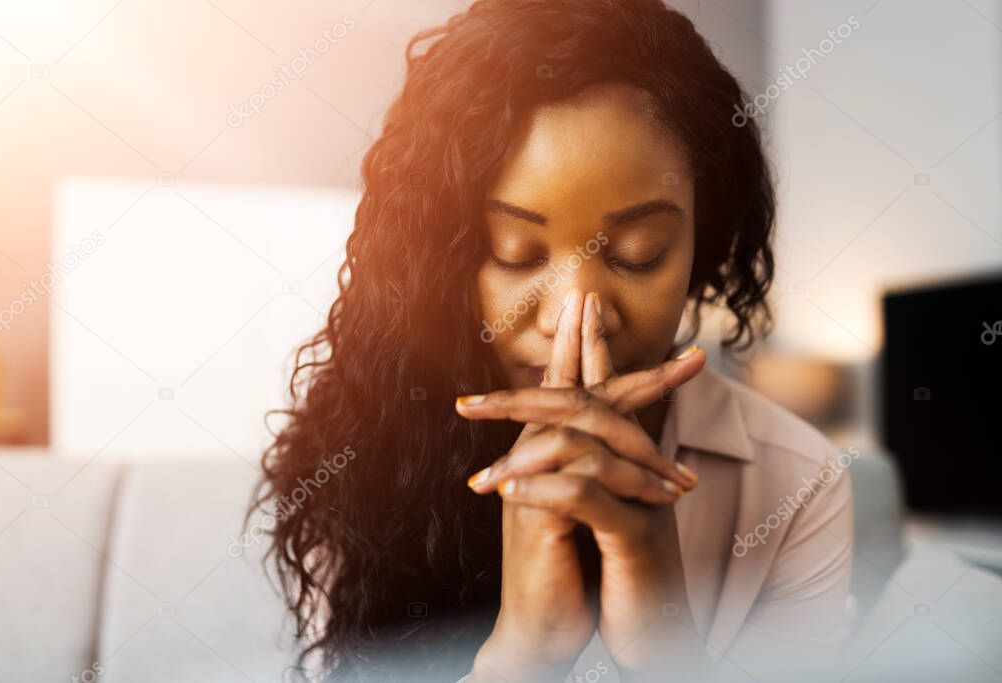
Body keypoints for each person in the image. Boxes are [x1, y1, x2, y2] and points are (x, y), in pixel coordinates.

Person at [254, 1, 854, 681]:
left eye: (638, 251)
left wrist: (666, 643)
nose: (579, 316)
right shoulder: (362, 450)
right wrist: (523, 651)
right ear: (444, 262)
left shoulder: (798, 484)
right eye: (515, 252)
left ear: (702, 248)